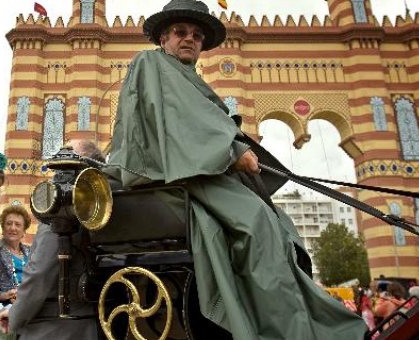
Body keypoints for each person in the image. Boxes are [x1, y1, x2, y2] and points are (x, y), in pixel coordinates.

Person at [103, 1, 367, 339]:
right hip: (173, 174)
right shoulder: (151, 63)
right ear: (163, 37)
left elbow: (204, 121)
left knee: (279, 224)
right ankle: (279, 331)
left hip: (198, 171)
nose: (190, 39)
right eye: (181, 32)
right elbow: (181, 122)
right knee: (255, 221)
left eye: (197, 35)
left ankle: (294, 321)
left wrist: (238, 150)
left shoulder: (189, 77)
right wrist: (230, 153)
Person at [0, 139, 106, 340]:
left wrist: (15, 316)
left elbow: (40, 272)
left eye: (64, 161)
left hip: (53, 326)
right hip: (93, 323)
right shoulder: (102, 208)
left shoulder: (64, 207)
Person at [0, 205, 31, 301]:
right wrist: (4, 296)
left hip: (30, 300)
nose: (13, 228)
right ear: (3, 228)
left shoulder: (31, 252)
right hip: (5, 303)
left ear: (24, 230)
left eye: (17, 224)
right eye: (9, 223)